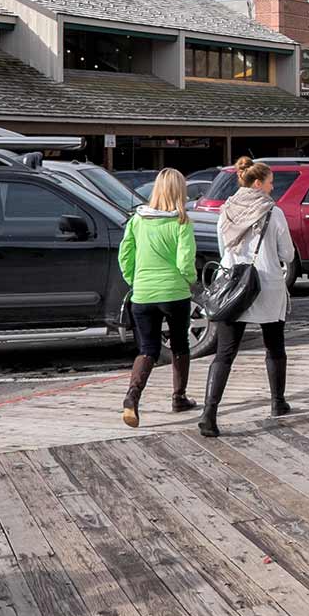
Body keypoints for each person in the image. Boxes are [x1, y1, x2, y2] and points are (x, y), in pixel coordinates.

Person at [200, 156, 296, 436]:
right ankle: (277, 402)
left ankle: (209, 413)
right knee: (274, 346)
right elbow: (287, 254)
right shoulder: (272, 212)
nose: (272, 188)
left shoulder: (226, 210)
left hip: (233, 286)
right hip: (265, 284)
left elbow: (222, 249)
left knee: (225, 353)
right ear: (258, 183)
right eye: (270, 182)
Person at [116, 167, 199, 427]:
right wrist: (190, 280)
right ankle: (179, 397)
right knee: (179, 344)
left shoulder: (137, 220)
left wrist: (134, 280)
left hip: (143, 293)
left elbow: (125, 256)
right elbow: (185, 261)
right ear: (180, 191)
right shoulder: (181, 221)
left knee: (148, 348)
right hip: (174, 292)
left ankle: (132, 398)